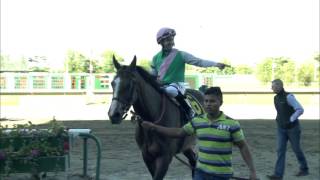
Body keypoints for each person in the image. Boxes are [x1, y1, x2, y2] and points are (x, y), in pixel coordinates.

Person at [141, 87, 258, 180]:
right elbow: (179, 132)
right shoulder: (197, 121)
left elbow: (243, 147)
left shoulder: (232, 124)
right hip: (200, 173)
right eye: (206, 101)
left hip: (221, 175)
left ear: (220, 102)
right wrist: (154, 127)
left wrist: (252, 171)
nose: (208, 104)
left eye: (212, 101)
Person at [151, 27, 229, 120]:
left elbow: (199, 62)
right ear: (161, 42)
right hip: (161, 86)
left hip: (177, 85)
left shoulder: (181, 54)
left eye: (171, 39)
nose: (170, 42)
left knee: (170, 91)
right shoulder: (155, 58)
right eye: (167, 40)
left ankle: (189, 110)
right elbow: (152, 75)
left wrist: (215, 64)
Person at [267, 79, 309, 180]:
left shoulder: (289, 97)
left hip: (293, 128)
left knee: (296, 149)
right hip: (281, 128)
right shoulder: (276, 98)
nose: (272, 88)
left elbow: (300, 109)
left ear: (280, 86)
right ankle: (278, 175)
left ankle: (304, 169)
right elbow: (280, 111)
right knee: (280, 150)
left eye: (273, 86)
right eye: (272, 86)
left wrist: (291, 119)